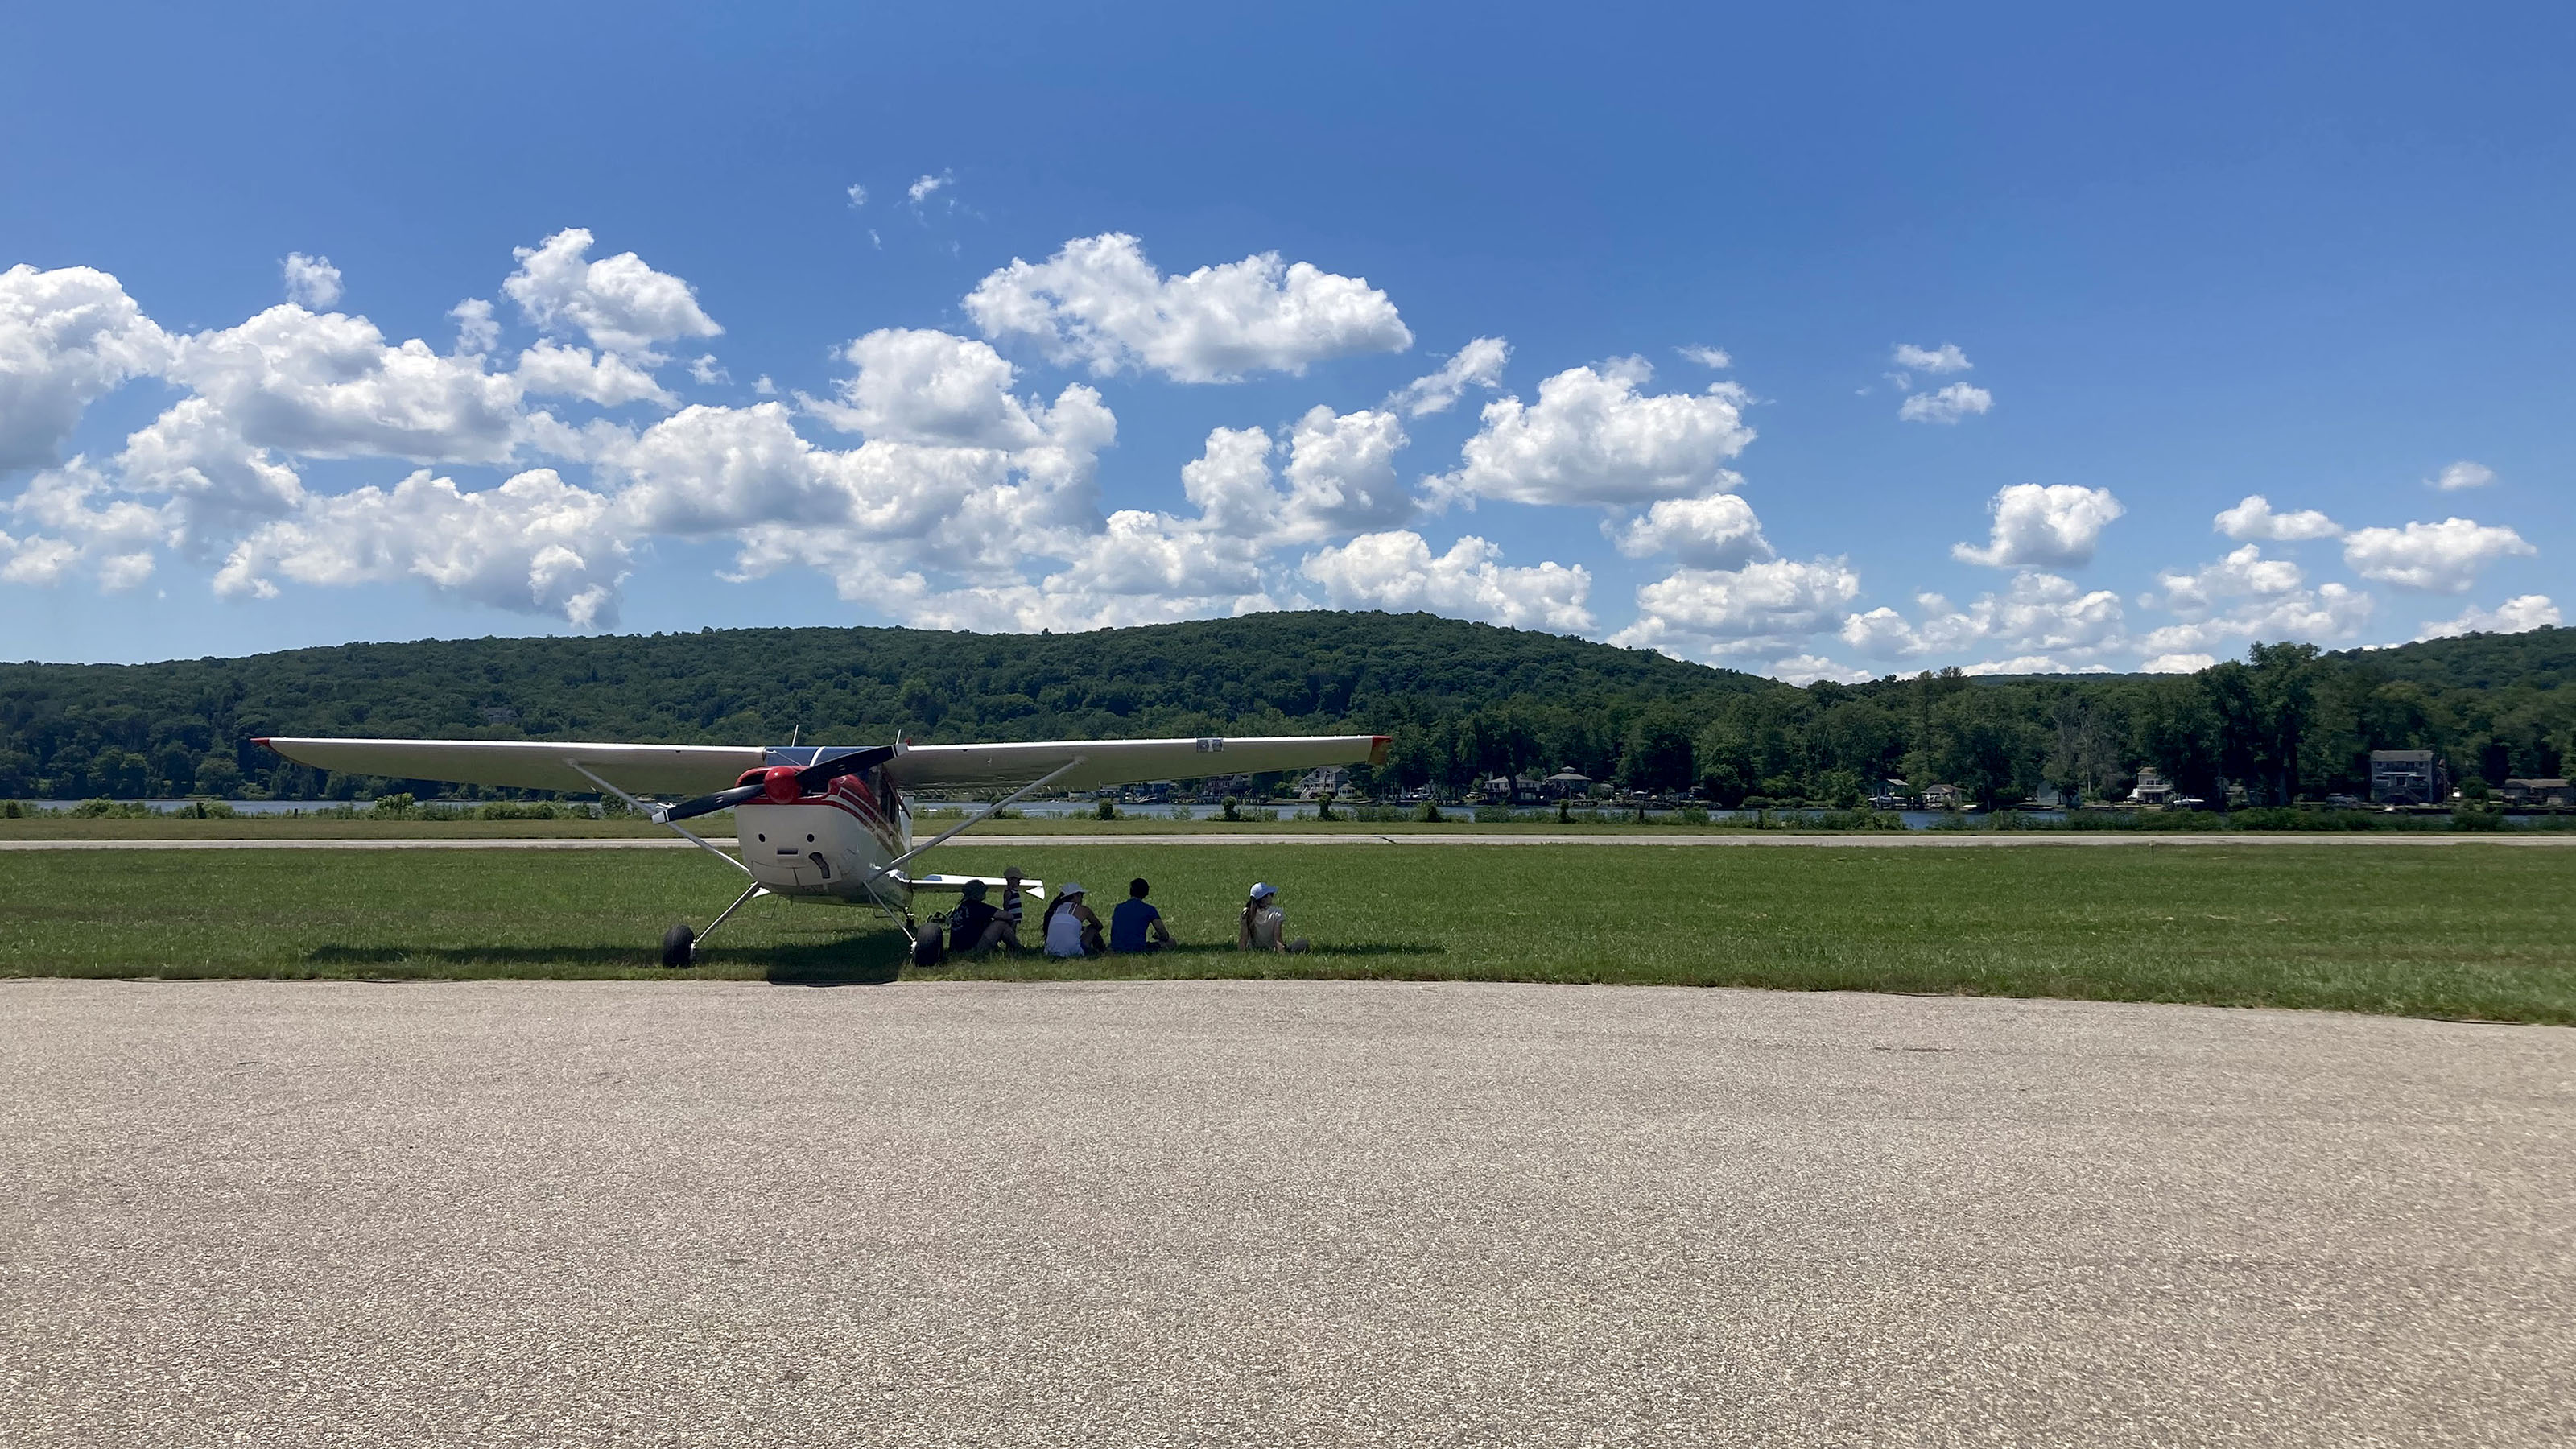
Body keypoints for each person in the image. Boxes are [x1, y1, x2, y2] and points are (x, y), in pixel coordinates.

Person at [1236, 881, 1309, 954]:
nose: (1272, 897)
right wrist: (1283, 953)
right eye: (1271, 894)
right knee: (1304, 942)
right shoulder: (1277, 913)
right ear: (1264, 898)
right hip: (1272, 948)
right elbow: (1277, 939)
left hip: (1254, 948)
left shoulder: (1247, 913)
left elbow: (1244, 938)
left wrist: (1241, 953)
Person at [945, 878, 1011, 956]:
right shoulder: (978, 908)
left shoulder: (963, 906)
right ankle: (1016, 948)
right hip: (971, 949)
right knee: (1000, 924)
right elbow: (1008, 916)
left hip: (957, 948)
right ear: (976, 894)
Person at [1109, 877, 1174, 953]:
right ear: (1146, 893)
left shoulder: (1119, 908)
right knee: (1172, 942)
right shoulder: (1150, 910)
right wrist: (1158, 936)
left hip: (1116, 948)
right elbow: (1164, 935)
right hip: (1138, 948)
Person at [1042, 882, 1104, 957]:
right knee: (1092, 929)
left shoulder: (1056, 909)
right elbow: (1098, 926)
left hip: (1050, 951)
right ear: (1075, 895)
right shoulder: (1084, 910)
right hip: (1073, 951)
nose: (1082, 898)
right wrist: (1084, 929)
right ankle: (1103, 952)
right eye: (1081, 895)